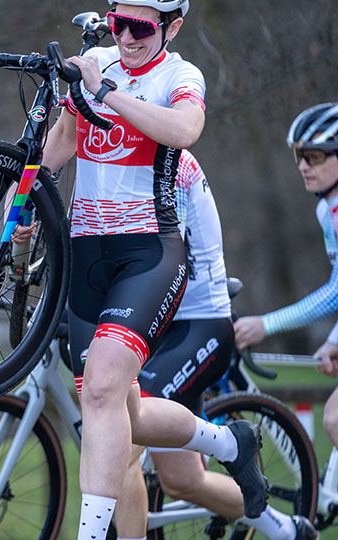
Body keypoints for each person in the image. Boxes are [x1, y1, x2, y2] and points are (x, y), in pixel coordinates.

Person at [38, 1, 268, 538]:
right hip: (89, 257)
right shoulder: (96, 62)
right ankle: (229, 443)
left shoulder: (179, 76)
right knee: (125, 413)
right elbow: (65, 139)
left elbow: (185, 130)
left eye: (140, 27)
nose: (126, 37)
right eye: (119, 23)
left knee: (100, 393)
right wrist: (19, 205)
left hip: (149, 253)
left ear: (172, 26)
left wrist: (105, 92)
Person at [109, 151, 318, 540]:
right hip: (163, 329)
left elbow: (161, 260)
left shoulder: (169, 163)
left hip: (198, 328)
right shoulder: (119, 160)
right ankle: (288, 531)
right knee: (183, 480)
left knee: (118, 438)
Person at [235, 103, 338, 451]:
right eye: (299, 156)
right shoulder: (327, 210)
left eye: (315, 156)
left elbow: (336, 291)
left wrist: (267, 324)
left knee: (334, 419)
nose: (303, 166)